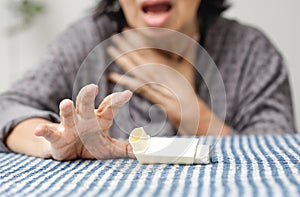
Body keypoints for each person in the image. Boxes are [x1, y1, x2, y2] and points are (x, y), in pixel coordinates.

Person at [0, 0, 296, 161]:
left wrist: (195, 114)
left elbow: (281, 155)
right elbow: (9, 108)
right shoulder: (87, 40)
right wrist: (53, 143)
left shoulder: (251, 50)